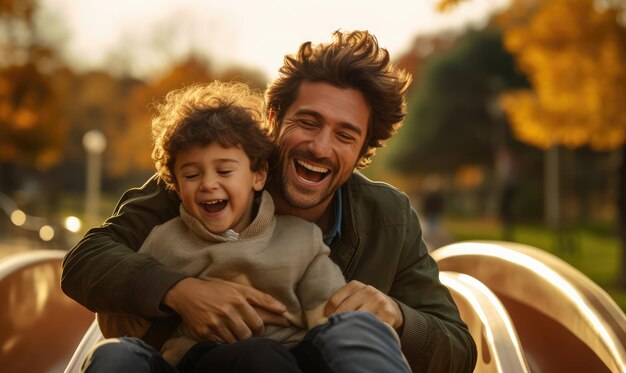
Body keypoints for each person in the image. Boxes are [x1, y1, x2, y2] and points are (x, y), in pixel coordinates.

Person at [62, 30, 477, 372]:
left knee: (360, 330)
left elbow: (458, 348)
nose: (320, 146)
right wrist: (180, 290)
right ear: (275, 118)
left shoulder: (389, 217)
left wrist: (399, 317)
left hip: (315, 360)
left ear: (364, 149)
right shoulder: (208, 181)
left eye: (345, 135)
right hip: (193, 361)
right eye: (308, 122)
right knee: (115, 357)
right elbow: (86, 261)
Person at [93, 81, 409, 372]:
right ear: (175, 185)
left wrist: (366, 324)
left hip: (284, 359)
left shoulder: (299, 240)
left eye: (224, 171)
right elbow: (120, 318)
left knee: (353, 328)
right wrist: (175, 295)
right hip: (192, 362)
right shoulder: (166, 240)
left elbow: (326, 310)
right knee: (114, 354)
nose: (208, 184)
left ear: (259, 175)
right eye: (191, 175)